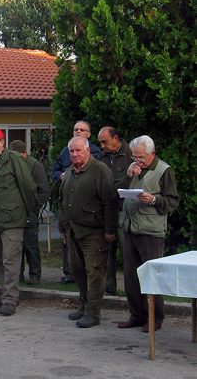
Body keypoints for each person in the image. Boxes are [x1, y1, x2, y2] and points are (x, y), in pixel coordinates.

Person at [117, 135, 179, 333]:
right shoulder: (133, 168)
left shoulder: (164, 170)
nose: (138, 161)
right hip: (130, 228)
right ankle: (136, 315)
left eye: (141, 157)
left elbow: (172, 202)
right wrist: (128, 176)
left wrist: (153, 200)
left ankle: (155, 318)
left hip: (151, 231)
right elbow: (117, 192)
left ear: (152, 153)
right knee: (131, 276)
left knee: (152, 276)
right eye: (135, 157)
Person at [59, 136, 119, 328]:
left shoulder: (100, 171)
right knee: (77, 270)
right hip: (73, 231)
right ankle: (83, 306)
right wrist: (62, 226)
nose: (75, 154)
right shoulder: (70, 171)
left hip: (94, 233)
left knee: (94, 273)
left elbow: (110, 202)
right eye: (72, 151)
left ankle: (93, 313)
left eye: (78, 150)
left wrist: (109, 230)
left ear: (87, 150)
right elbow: (63, 201)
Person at [0, 128, 37, 316]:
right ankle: (5, 293)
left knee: (10, 261)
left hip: (12, 220)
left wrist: (28, 212)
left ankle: (10, 299)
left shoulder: (14, 159)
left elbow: (28, 187)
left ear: (1, 142)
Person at [51, 120, 101, 284]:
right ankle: (69, 273)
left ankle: (87, 277)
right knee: (68, 241)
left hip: (86, 209)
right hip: (67, 200)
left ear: (89, 134)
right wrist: (61, 176)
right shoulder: (65, 151)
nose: (78, 131)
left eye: (82, 129)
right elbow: (55, 170)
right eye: (75, 129)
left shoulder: (95, 152)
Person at [97, 126, 133, 294]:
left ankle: (132, 291)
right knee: (107, 254)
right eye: (100, 142)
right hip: (106, 211)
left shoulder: (131, 154)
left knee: (128, 255)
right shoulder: (101, 157)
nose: (102, 145)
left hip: (124, 211)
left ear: (116, 139)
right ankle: (109, 289)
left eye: (105, 142)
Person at [8, 140, 50, 285]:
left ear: (24, 153)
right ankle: (17, 275)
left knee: (30, 245)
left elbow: (43, 190)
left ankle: (35, 275)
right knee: (15, 247)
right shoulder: (11, 164)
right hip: (15, 212)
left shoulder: (35, 166)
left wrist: (34, 207)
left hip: (29, 212)